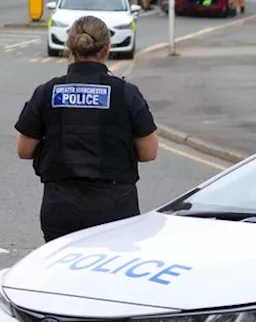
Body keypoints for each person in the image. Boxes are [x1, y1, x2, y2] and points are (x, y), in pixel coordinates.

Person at [14, 16, 159, 243]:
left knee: (61, 274)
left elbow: (24, 149)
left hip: (61, 205)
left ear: (69, 48)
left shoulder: (47, 92)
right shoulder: (126, 94)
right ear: (107, 50)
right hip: (116, 207)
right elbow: (149, 152)